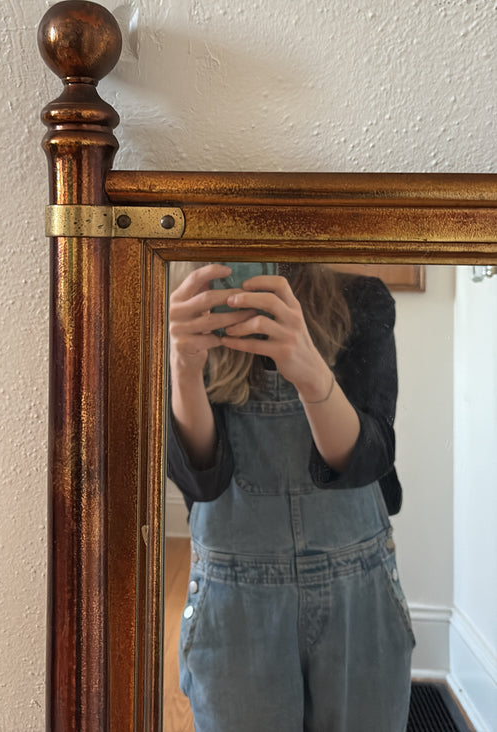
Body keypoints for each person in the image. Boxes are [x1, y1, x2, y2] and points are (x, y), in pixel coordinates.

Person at [167, 261, 414, 732]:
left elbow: (369, 459)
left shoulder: (361, 299)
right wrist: (184, 367)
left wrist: (312, 374)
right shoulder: (184, 308)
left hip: (357, 594)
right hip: (234, 602)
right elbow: (201, 482)